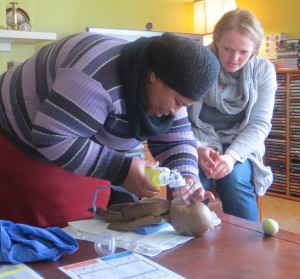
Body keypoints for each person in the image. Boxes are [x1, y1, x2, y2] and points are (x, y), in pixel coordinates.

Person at [0, 32, 220, 227]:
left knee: (87, 226)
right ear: (155, 77)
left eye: (184, 106)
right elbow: (53, 138)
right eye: (178, 102)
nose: (175, 111)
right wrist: (122, 170)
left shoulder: (172, 84)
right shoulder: (97, 76)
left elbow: (177, 142)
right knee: (46, 232)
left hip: (76, 140)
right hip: (15, 139)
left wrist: (187, 178)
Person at [188, 9, 278, 222]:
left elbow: (258, 124)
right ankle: (191, 238)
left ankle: (248, 247)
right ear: (216, 40)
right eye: (227, 49)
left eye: (243, 52)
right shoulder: (195, 63)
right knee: (194, 178)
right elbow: (178, 117)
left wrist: (231, 157)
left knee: (235, 178)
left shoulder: (263, 70)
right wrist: (197, 147)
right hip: (196, 139)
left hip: (239, 144)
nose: (234, 59)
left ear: (255, 48)